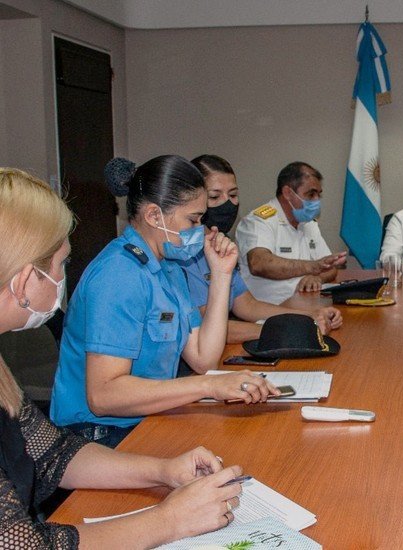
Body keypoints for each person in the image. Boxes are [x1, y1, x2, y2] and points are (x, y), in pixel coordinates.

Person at [0, 167, 248, 548]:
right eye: (60, 265)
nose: (64, 277)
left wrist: (165, 471)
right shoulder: (117, 273)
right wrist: (168, 520)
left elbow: (53, 453)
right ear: (21, 281)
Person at [50, 156, 279, 448]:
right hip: (100, 434)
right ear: (154, 216)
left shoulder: (168, 267)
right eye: (192, 219)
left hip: (148, 418)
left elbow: (203, 358)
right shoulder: (118, 274)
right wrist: (208, 385)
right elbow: (103, 396)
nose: (201, 229)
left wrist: (221, 275)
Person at [183, 155, 342, 343]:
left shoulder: (221, 243)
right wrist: (290, 327)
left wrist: (308, 315)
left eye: (233, 195)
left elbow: (247, 305)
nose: (227, 203)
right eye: (215, 196)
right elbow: (203, 327)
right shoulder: (185, 251)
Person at [236, 162, 347, 304]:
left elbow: (329, 268)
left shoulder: (308, 224)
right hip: (270, 313)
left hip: (308, 304)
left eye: (319, 195)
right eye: (311, 194)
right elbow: (259, 263)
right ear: (288, 192)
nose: (317, 200)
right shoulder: (258, 221)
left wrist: (317, 277)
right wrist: (313, 267)